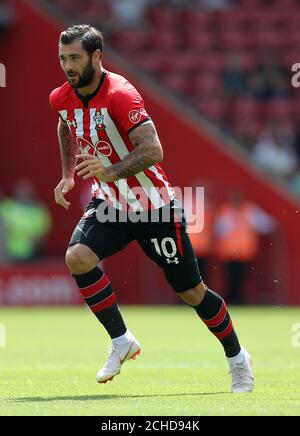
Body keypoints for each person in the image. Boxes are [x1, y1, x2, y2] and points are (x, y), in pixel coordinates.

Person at [49, 25, 253, 392]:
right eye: (63, 58)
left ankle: (237, 357)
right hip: (110, 204)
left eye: (75, 57)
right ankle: (121, 340)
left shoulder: (121, 94)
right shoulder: (61, 97)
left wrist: (109, 170)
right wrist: (67, 175)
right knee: (78, 257)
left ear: (96, 56)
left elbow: (153, 150)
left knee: (190, 292)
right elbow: (64, 126)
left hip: (152, 206)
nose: (68, 65)